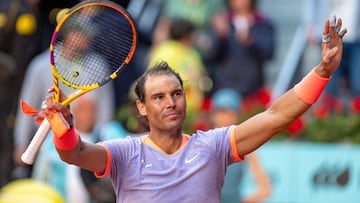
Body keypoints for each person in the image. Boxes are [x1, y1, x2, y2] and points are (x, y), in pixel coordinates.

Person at [39, 16, 346, 203]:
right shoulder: (124, 152)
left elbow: (276, 116)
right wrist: (61, 127)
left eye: (176, 93)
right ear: (141, 108)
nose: (170, 102)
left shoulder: (213, 146)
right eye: (158, 97)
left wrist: (321, 72)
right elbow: (74, 153)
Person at [208, 0, 275, 113]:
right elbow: (212, 55)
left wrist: (251, 42)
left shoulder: (262, 23)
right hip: (226, 87)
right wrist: (221, 36)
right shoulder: (223, 22)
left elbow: (269, 53)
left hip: (253, 88)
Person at [148, 17, 209, 133]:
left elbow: (200, 77)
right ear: (187, 34)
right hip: (170, 112)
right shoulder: (165, 51)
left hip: (192, 112)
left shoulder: (192, 53)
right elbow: (156, 80)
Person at [209, 88, 271, 203]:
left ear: (236, 116)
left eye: (229, 113)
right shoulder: (202, 144)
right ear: (213, 115)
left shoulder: (246, 147)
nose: (224, 118)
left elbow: (265, 190)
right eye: (221, 113)